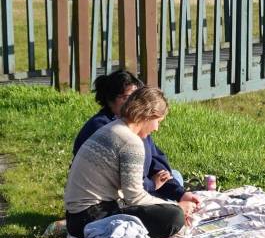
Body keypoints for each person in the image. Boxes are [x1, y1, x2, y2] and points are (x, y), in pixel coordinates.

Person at [65, 87, 195, 238]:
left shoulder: (112, 128)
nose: (157, 128)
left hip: (76, 217)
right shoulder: (131, 142)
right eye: (158, 121)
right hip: (92, 219)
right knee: (173, 217)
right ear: (148, 115)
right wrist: (177, 207)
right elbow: (134, 197)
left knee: (169, 206)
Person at [73, 71, 194, 203]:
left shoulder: (136, 125)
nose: (133, 103)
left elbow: (155, 159)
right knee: (173, 213)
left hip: (142, 185)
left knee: (175, 176)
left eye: (135, 97)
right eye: (127, 98)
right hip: (110, 198)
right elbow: (126, 185)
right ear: (110, 99)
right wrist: (152, 185)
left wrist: (179, 193)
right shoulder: (104, 128)